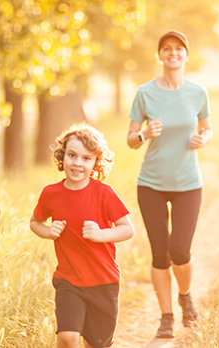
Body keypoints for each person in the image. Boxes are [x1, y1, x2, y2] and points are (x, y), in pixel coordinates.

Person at [126, 30, 213, 339]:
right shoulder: (145, 93)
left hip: (189, 183)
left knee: (180, 250)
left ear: (185, 55)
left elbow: (207, 127)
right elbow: (130, 139)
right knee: (160, 254)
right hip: (151, 183)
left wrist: (203, 139)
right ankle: (166, 317)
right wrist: (144, 135)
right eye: (167, 49)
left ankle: (185, 296)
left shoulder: (198, 92)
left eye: (178, 49)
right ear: (159, 55)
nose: (173, 53)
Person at [30, 123, 135, 348]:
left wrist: (101, 234)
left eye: (86, 158)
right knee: (67, 337)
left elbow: (127, 229)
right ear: (63, 156)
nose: (77, 163)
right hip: (69, 280)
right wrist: (48, 232)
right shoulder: (51, 194)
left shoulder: (104, 193)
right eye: (72, 155)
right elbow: (35, 222)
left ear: (96, 162)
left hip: (103, 282)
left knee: (95, 343)